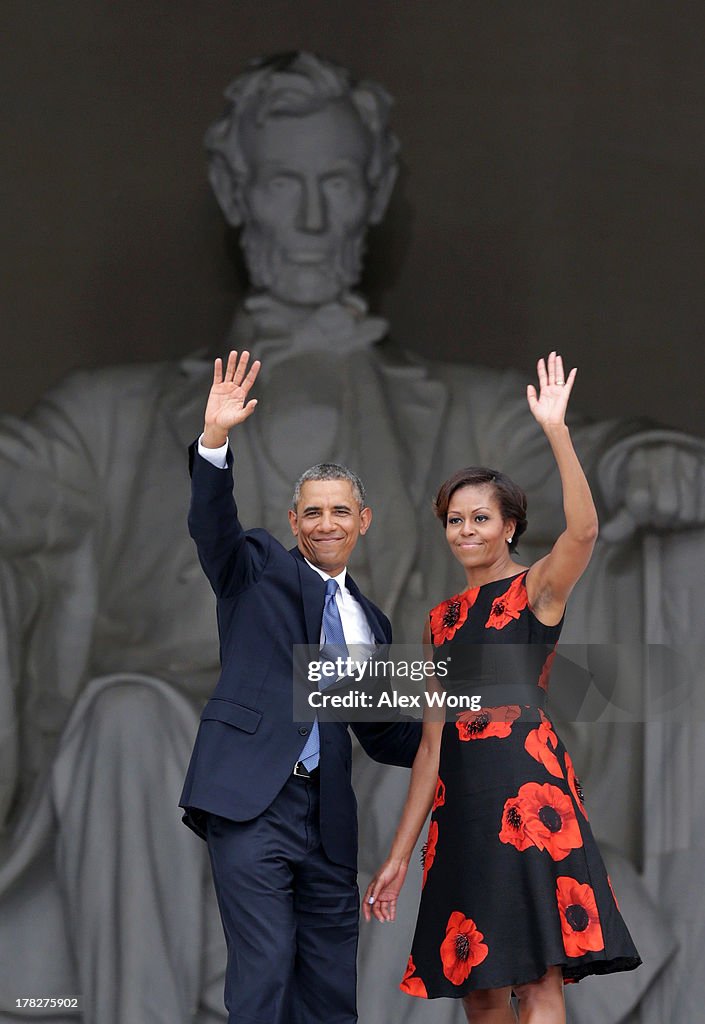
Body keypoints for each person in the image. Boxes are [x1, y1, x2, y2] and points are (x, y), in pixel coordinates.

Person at [363, 352, 641, 1023]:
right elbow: (430, 746)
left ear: (509, 525)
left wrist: (556, 432)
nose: (465, 531)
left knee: (536, 980)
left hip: (527, 792)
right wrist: (398, 857)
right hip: (460, 810)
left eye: (479, 518)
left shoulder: (534, 589)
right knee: (478, 986)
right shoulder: (441, 620)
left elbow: (583, 531)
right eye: (454, 520)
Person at [181, 348, 420, 1024]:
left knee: (327, 988)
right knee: (261, 977)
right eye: (311, 513)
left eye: (339, 512)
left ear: (362, 522)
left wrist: (460, 727)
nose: (325, 524)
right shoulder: (254, 569)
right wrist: (215, 439)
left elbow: (386, 734)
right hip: (252, 801)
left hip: (326, 820)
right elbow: (211, 524)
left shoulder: (371, 621)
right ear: (293, 522)